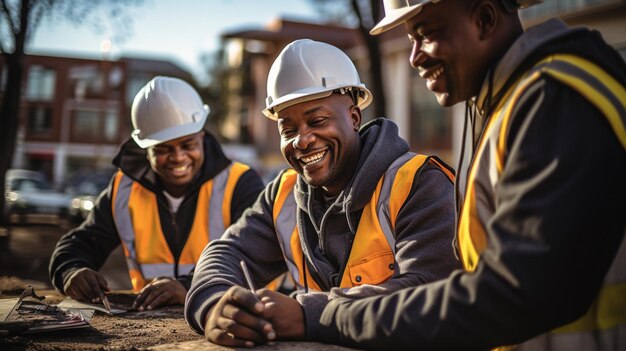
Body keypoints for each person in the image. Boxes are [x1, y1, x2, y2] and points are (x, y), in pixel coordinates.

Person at [308, 0, 626, 350]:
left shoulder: (555, 100)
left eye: (426, 34)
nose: (415, 56)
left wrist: (327, 317)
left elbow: (514, 292)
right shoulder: (502, 104)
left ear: (485, 19)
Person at [184, 39, 460, 347]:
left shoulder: (419, 184)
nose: (302, 141)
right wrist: (214, 307)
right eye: (288, 130)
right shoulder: (284, 195)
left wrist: (310, 315)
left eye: (317, 121)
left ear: (354, 117)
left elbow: (431, 293)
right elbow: (226, 252)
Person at [49, 76, 264, 311]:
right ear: (146, 149)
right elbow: (82, 242)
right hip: (151, 321)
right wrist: (71, 270)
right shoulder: (125, 189)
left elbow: (254, 255)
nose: (178, 157)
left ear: (201, 136)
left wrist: (189, 285)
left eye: (188, 145)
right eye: (163, 149)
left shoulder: (240, 183)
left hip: (237, 315)